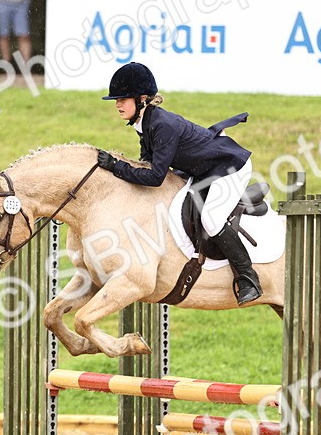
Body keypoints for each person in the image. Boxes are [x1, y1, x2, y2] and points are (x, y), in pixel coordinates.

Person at [94, 63, 262, 305]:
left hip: (229, 167)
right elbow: (146, 162)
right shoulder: (145, 123)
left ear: (142, 99)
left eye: (123, 99)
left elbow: (155, 177)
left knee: (211, 219)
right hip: (203, 170)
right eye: (116, 100)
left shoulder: (161, 125)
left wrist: (115, 166)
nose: (118, 104)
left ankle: (248, 278)